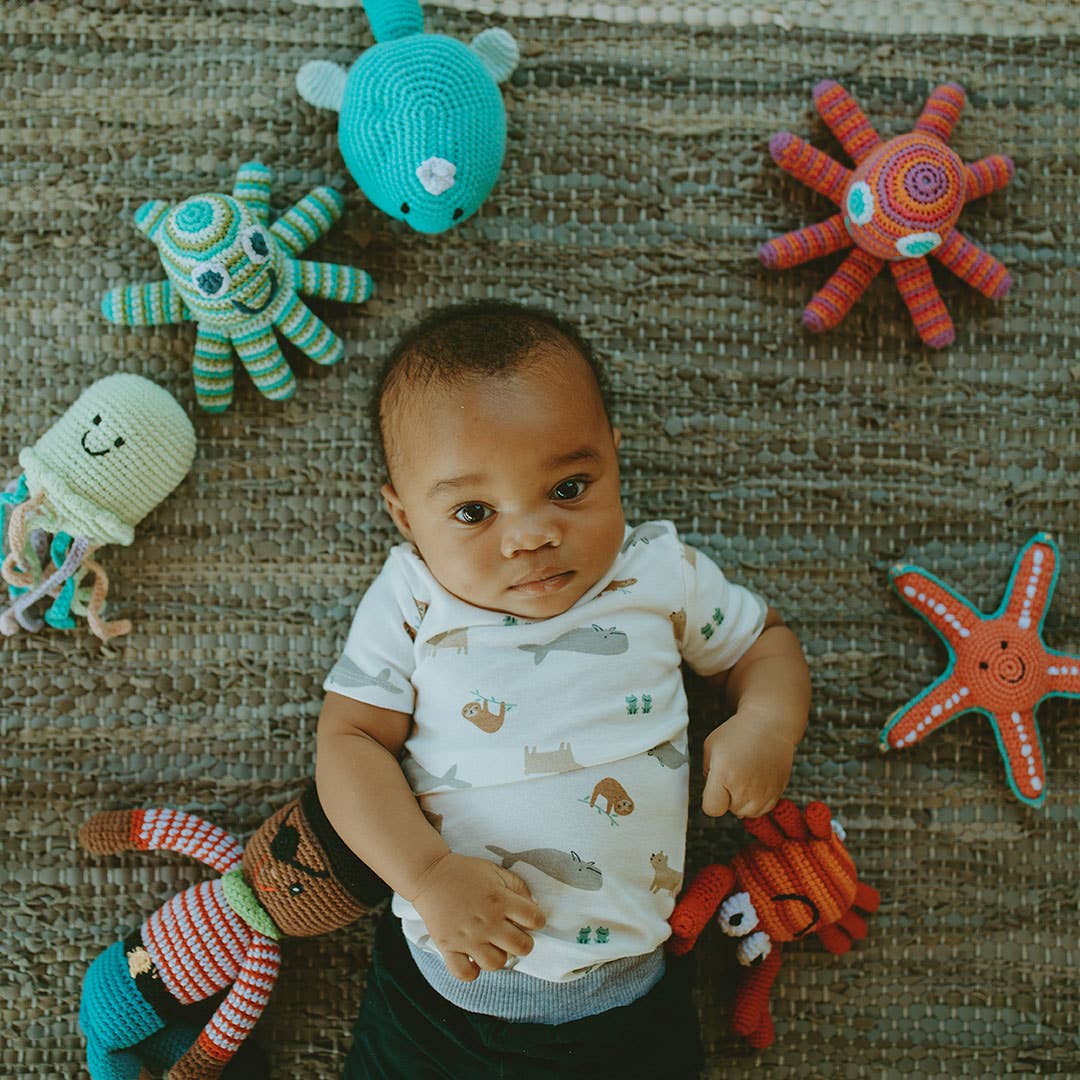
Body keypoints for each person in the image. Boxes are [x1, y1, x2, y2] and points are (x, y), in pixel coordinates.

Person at [316, 301, 811, 1078]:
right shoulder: (413, 599)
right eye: (473, 512)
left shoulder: (657, 573)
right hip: (444, 990)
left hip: (628, 998)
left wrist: (768, 725)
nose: (530, 534)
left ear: (615, 457)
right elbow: (347, 745)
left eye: (571, 487)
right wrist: (426, 874)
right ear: (405, 515)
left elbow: (764, 643)